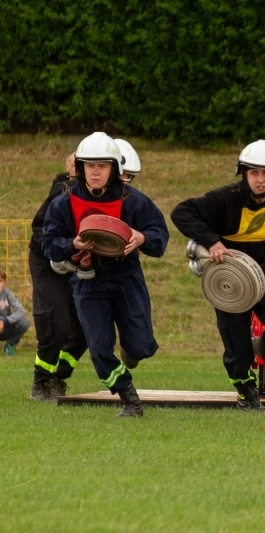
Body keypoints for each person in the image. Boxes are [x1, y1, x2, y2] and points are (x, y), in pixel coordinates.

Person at [171, 139, 265, 411]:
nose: (260, 180)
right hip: (229, 278)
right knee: (237, 347)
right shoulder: (225, 198)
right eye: (254, 173)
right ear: (244, 174)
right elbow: (181, 213)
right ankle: (247, 394)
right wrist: (211, 241)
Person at [42, 132, 169, 417]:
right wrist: (71, 244)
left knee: (141, 346)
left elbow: (160, 235)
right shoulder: (64, 201)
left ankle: (133, 350)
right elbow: (47, 243)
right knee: (99, 348)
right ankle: (129, 398)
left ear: (114, 169)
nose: (95, 171)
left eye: (102, 165)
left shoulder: (133, 200)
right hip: (87, 281)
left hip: (127, 277)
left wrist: (142, 238)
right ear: (81, 167)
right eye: (90, 165)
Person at [27, 152, 88, 400]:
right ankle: (41, 382)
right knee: (56, 324)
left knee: (85, 328)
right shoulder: (64, 190)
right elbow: (39, 228)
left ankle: (58, 376)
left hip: (74, 261)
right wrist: (62, 248)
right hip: (46, 259)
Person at [0, 267, 31, 356]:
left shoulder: (7, 293)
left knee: (24, 322)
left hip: (5, 327)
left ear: (4, 283)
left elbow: (20, 311)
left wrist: (5, 321)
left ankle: (9, 344)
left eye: (0, 281)